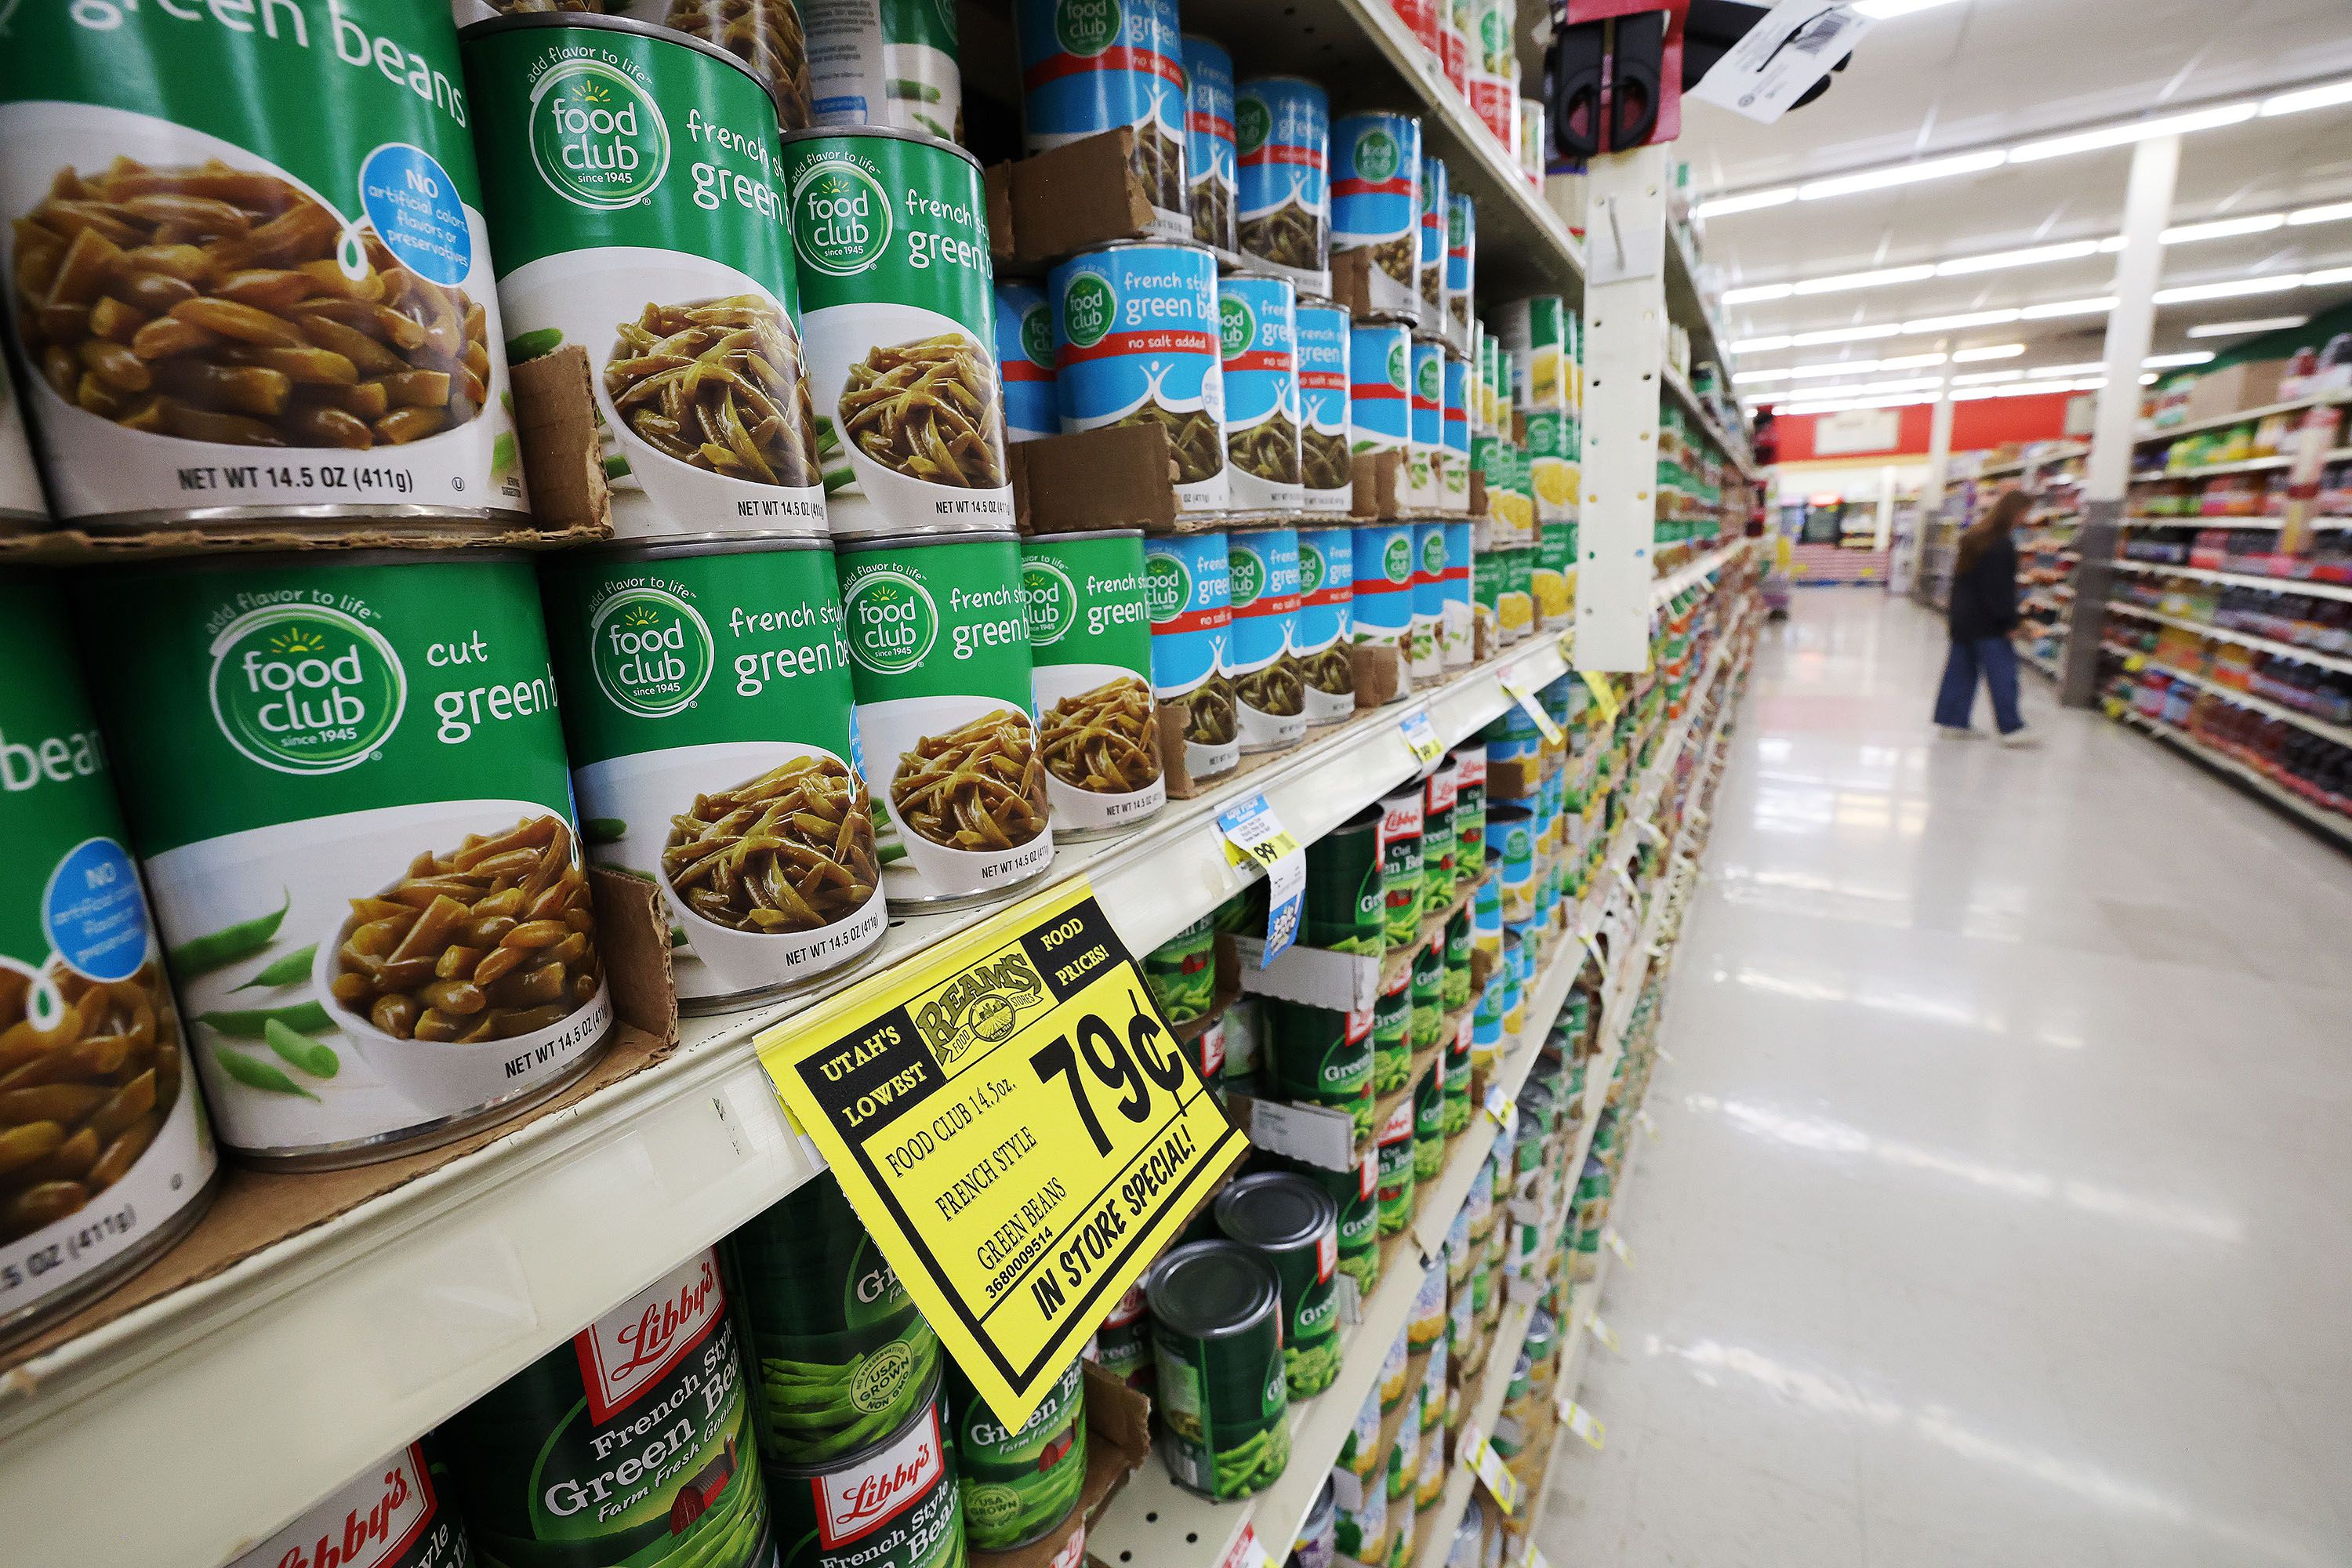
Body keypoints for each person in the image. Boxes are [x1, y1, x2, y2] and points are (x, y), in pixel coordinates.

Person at [1933, 488, 2034, 745]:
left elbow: (1962, 583)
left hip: (1964, 619)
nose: (2026, 519)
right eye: (2025, 513)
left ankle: (1952, 721)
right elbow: (2000, 591)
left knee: (1960, 671)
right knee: (2003, 674)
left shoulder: (1973, 538)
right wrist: (2009, 622)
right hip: (1989, 623)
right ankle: (2011, 729)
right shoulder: (2002, 546)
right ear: (2017, 513)